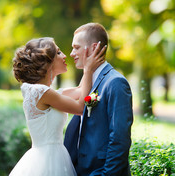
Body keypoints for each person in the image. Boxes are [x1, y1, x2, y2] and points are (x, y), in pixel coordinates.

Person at [9, 37, 106, 176]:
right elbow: (80, 108)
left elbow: (80, 90)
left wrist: (87, 64)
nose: (65, 56)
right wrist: (88, 70)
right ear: (47, 62)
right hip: (47, 160)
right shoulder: (41, 92)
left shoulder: (46, 93)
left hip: (51, 156)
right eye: (59, 53)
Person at [64, 23, 133, 176]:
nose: (71, 53)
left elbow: (119, 139)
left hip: (100, 171)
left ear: (94, 48)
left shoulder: (115, 83)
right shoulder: (87, 82)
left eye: (76, 47)